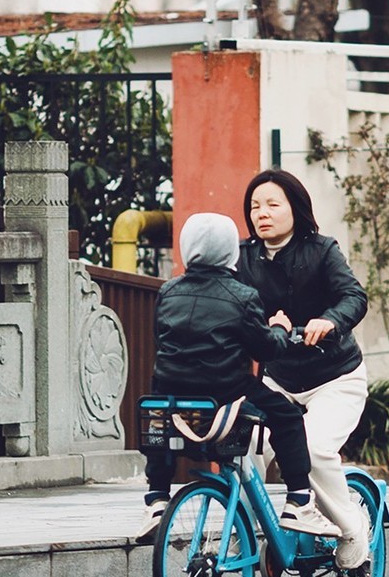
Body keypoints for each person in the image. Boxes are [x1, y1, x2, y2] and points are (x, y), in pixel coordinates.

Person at [136, 212, 341, 543]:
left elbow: (164, 340)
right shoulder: (242, 296)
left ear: (187, 248)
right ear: (230, 251)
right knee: (288, 416)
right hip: (225, 396)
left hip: (171, 396)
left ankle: (156, 499)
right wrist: (280, 328)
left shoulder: (169, 291)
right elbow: (266, 350)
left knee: (158, 416)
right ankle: (299, 501)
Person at [236, 167, 371, 570]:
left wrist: (330, 321)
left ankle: (352, 528)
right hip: (277, 380)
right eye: (255, 206)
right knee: (244, 448)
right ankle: (254, 535)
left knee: (311, 448)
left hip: (335, 378)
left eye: (273, 204)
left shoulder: (321, 250)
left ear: (295, 207)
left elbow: (354, 296)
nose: (263, 213)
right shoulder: (242, 258)